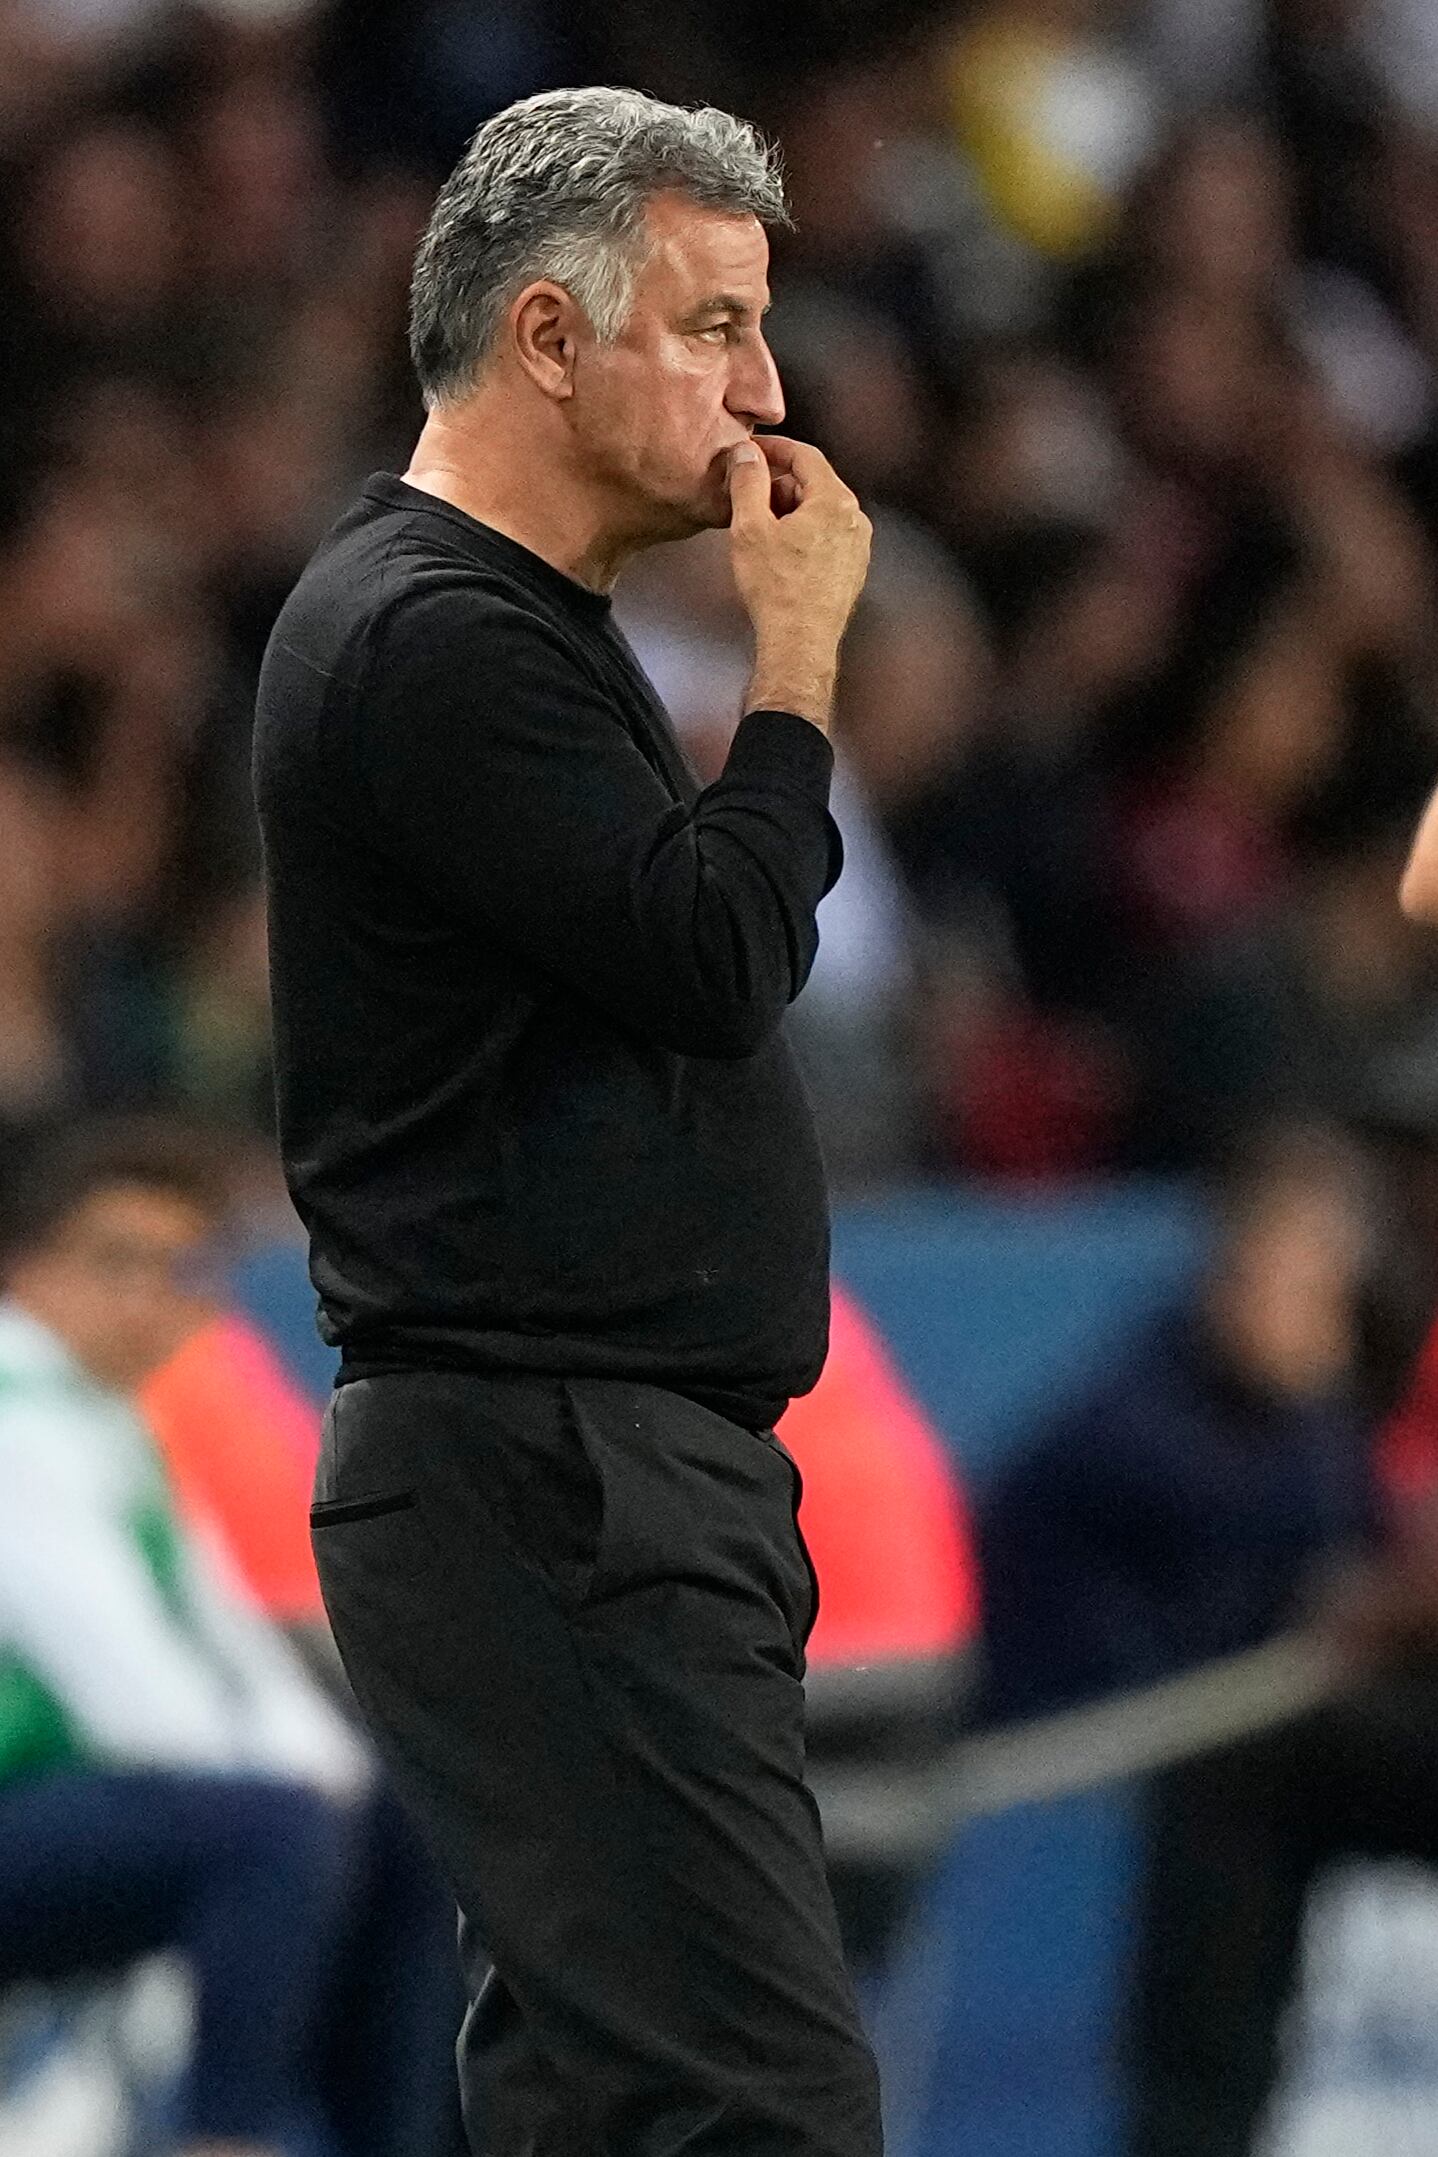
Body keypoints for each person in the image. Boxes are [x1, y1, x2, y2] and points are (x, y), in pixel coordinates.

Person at [253, 84, 879, 2157]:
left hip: (584, 1473)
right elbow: (708, 951)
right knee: (751, 2109)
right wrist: (791, 673)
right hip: (548, 1467)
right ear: (544, 335)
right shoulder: (430, 632)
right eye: (710, 326)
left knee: (604, 2110)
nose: (765, 389)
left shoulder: (496, 623)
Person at [0, 1119, 368, 2157]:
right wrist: (310, 1798)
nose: (147, 1299)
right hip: (28, 1793)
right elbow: (134, 1701)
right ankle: (227, 2139)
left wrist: (342, 1784)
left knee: (389, 1826)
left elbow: (225, 1643)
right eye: (118, 1263)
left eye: (179, 1270)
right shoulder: (14, 1421)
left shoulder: (110, 1423)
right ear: (28, 1268)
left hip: (59, 1796)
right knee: (274, 1835)